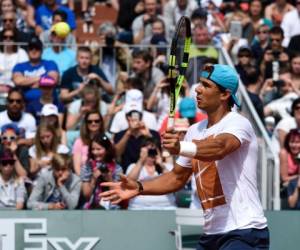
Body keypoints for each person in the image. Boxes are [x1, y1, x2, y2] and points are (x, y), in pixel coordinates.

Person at [100, 64, 269, 249]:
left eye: (206, 85)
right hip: (212, 234)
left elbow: (220, 147)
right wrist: (140, 187)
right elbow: (176, 177)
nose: (197, 89)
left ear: (224, 94)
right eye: (199, 84)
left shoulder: (238, 122)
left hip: (244, 230)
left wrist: (181, 146)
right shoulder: (194, 130)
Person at [12, 36, 59, 103]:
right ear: (27, 51)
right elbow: (18, 81)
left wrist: (27, 81)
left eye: (37, 48)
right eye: (31, 48)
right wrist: (42, 79)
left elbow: (52, 79)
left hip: (47, 102)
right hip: (25, 103)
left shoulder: (50, 64)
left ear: (42, 51)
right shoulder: (19, 66)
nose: (34, 50)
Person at [81, 133, 122, 209]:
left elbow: (117, 197)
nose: (95, 152)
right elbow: (86, 195)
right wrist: (93, 179)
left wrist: (109, 179)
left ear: (107, 150)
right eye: (93, 149)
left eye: (99, 149)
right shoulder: (87, 167)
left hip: (111, 208)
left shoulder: (117, 168)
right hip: (92, 208)